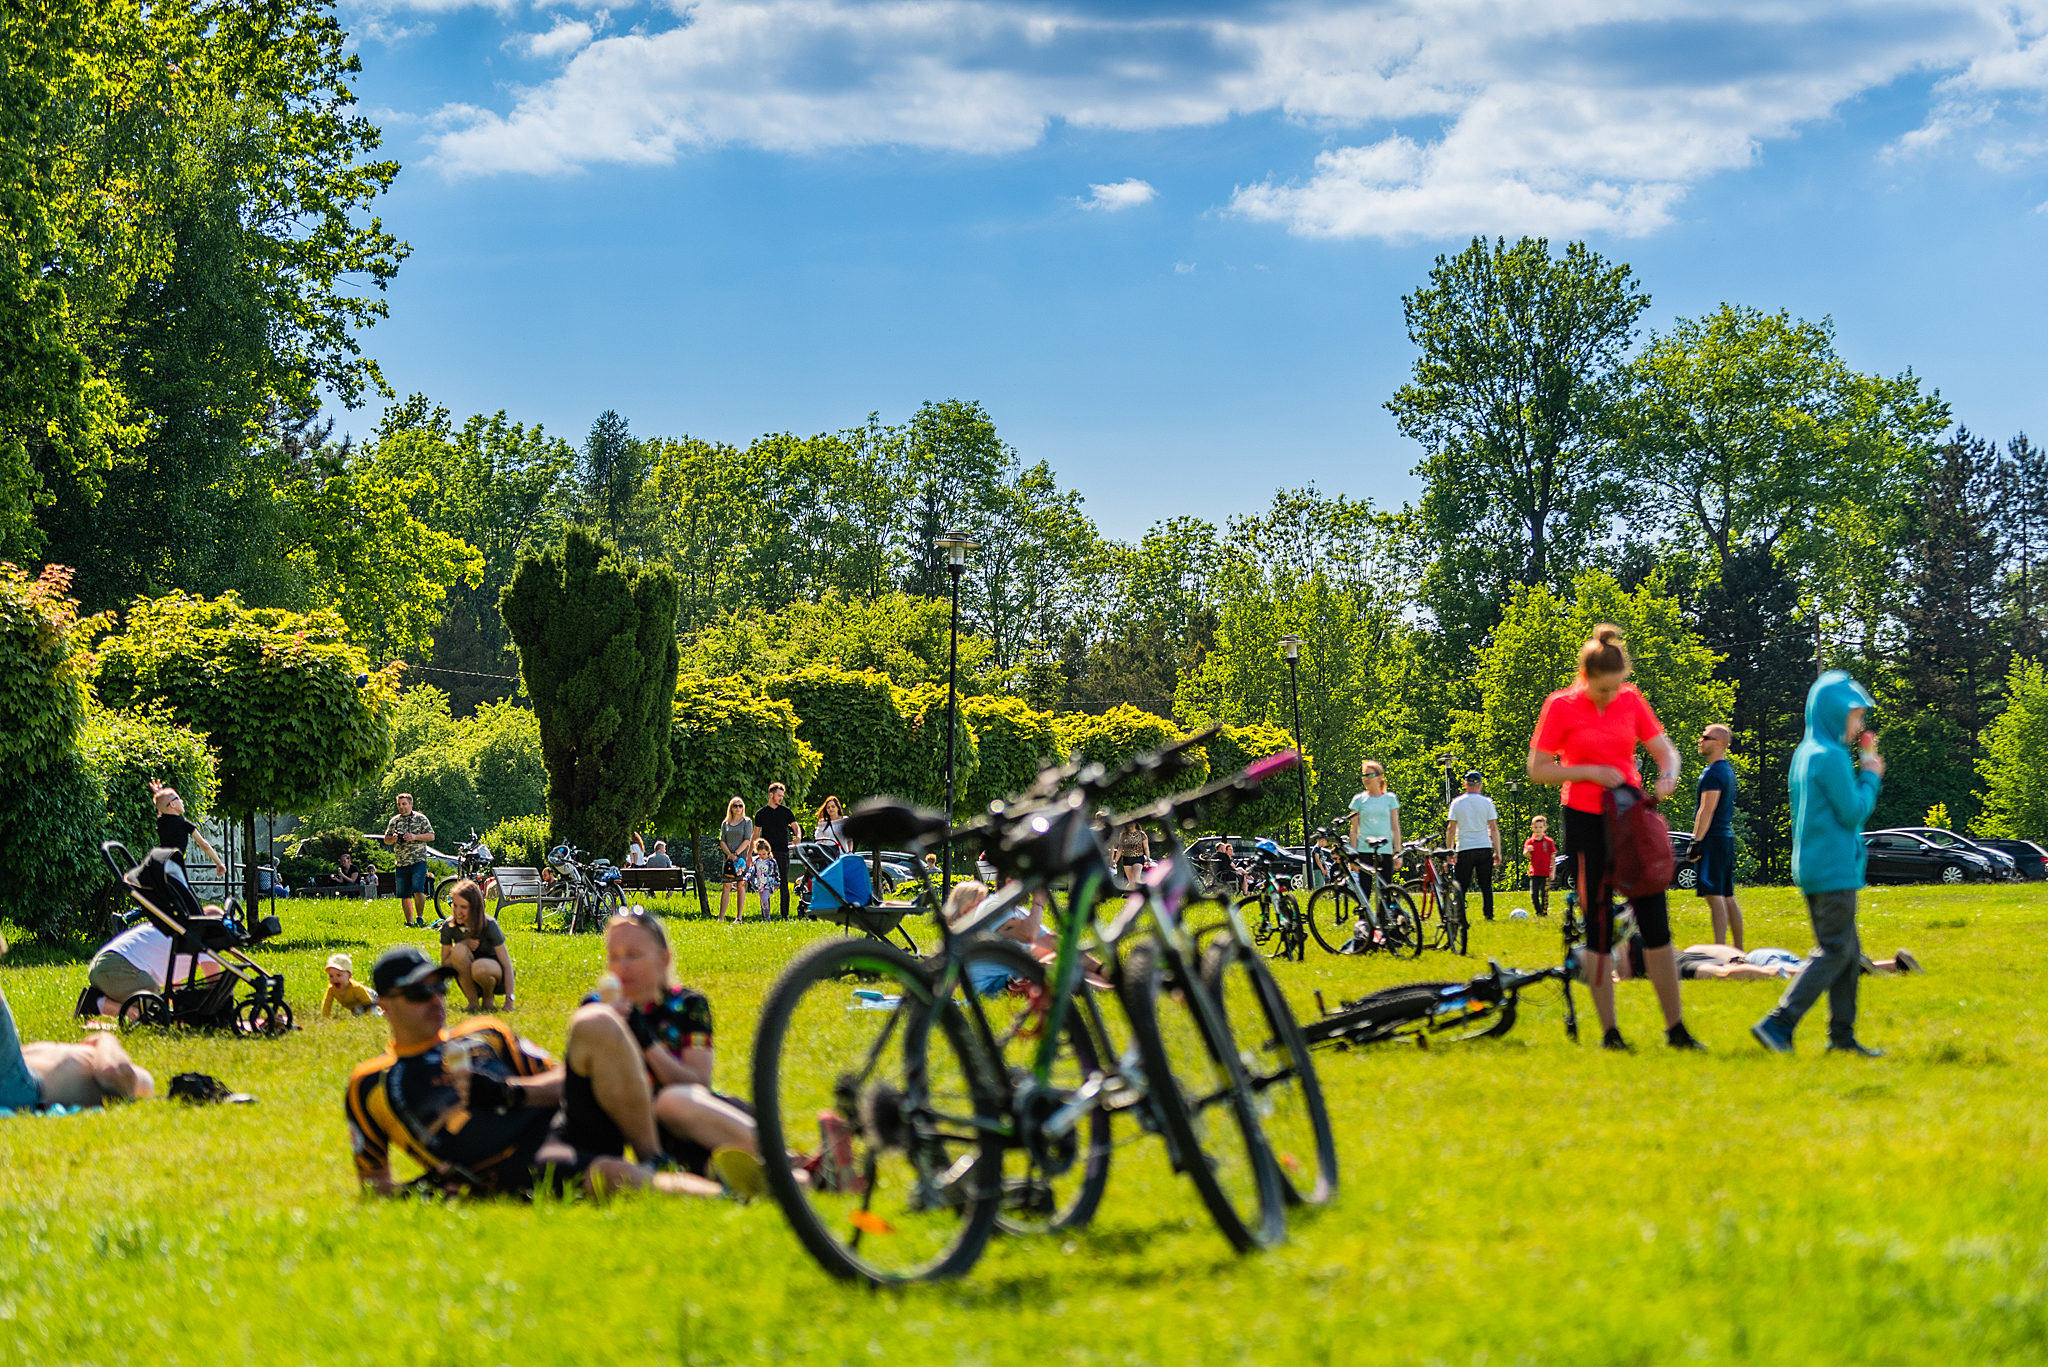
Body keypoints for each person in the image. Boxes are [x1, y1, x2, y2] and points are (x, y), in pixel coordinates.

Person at [344, 945, 720, 1199]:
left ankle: (655, 1155)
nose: (435, 999)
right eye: (418, 993)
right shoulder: (371, 1083)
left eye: (440, 987)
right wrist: (430, 1189)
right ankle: (726, 1197)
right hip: (513, 1162)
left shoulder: (485, 1032)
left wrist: (509, 1090)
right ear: (386, 1006)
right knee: (611, 1173)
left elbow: (566, 1080)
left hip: (567, 1119)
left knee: (596, 1021)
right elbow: (375, 1185)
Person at [1527, 624, 1703, 1051]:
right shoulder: (1561, 706)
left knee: (1656, 921)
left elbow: (1666, 750)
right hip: (1585, 819)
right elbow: (1538, 768)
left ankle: (1676, 1028)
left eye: (1616, 687)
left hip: (1630, 816)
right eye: (1603, 689)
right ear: (1585, 678)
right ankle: (1610, 1032)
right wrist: (1586, 771)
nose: (1610, 696)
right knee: (1600, 928)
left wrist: (1667, 774)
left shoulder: (1630, 698)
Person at [1752, 671, 1888, 1056]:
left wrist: (1860, 765)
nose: (1859, 724)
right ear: (1833, 713)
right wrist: (1871, 776)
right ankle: (1779, 1023)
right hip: (1834, 870)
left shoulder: (1806, 752)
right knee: (1833, 950)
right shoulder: (1830, 758)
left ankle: (1842, 1039)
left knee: (1847, 952)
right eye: (1855, 716)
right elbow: (1853, 813)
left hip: (1813, 867)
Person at [590, 909, 769, 1197]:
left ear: (664, 959)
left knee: (671, 1101)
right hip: (642, 1135)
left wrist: (645, 1039)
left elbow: (697, 1083)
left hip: (693, 1118)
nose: (622, 966)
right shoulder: (597, 1011)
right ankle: (801, 1176)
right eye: (614, 957)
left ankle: (794, 1165)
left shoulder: (687, 1005)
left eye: (634, 955)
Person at [5, 932, 154, 1109]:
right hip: (17, 1078)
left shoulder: (133, 1078)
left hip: (22, 1085)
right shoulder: (106, 1057)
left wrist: (106, 1038)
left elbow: (112, 1071)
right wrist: (105, 1039)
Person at [1609, 936, 1922, 983]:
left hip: (1760, 963)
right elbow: (1724, 951)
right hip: (1758, 953)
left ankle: (1854, 966)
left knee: (1806, 974)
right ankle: (1893, 966)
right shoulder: (1686, 949)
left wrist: (1771, 973)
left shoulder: (1676, 966)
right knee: (1807, 966)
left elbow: (1723, 973)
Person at [78, 918, 224, 1018]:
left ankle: (102, 999)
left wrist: (183, 1010)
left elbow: (173, 986)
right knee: (155, 1014)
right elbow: (215, 984)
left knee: (163, 1009)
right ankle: (97, 1004)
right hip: (117, 968)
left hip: (103, 965)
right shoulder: (201, 941)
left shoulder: (174, 930)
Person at [1692, 724, 1745, 948]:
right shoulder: (1726, 770)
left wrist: (1696, 841)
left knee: (1714, 896)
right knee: (1726, 896)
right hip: (1725, 839)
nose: (1700, 740)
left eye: (1706, 737)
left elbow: (1707, 809)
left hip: (1713, 839)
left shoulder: (1713, 773)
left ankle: (1720, 949)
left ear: (1720, 743)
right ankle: (1738, 948)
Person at [440, 879, 516, 1012]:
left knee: (479, 967)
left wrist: (509, 1000)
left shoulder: (489, 925)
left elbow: (507, 965)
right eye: (455, 905)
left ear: (475, 908)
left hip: (493, 974)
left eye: (463, 907)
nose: (457, 911)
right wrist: (464, 944)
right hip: (467, 976)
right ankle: (473, 1002)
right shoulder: (449, 926)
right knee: (458, 950)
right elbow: (445, 966)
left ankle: (488, 998)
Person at [1445, 771, 1501, 921]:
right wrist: (1498, 851)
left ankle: (1459, 914)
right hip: (1484, 846)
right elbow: (1494, 828)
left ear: (1465, 784)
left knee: (1461, 885)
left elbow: (1451, 828)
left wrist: (1450, 850)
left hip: (1465, 847)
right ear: (1480, 785)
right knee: (1486, 885)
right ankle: (1488, 915)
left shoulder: (1457, 803)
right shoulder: (1487, 802)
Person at [1347, 760, 1404, 905]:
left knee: (1386, 890)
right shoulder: (1358, 800)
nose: (1366, 779)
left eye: (1369, 775)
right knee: (1364, 890)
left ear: (1379, 777)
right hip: (1364, 850)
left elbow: (1395, 827)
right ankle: (1365, 922)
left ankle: (1385, 921)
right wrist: (1353, 856)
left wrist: (1397, 852)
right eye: (1364, 775)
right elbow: (1353, 830)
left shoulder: (1390, 799)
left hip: (1385, 850)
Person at [381, 793, 436, 929]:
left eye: (404, 804)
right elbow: (386, 839)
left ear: (411, 804)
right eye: (399, 804)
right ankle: (409, 922)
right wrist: (393, 839)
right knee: (404, 894)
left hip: (418, 860)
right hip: (401, 862)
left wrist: (414, 836)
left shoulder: (420, 819)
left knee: (418, 889)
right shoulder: (394, 821)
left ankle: (420, 917)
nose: (401, 807)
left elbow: (431, 836)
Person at [752, 782, 801, 920]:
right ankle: (765, 916)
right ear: (771, 795)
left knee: (784, 883)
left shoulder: (786, 812)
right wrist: (751, 853)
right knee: (763, 884)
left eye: (782, 796)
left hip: (783, 852)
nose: (781, 798)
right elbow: (755, 834)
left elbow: (796, 827)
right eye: (779, 796)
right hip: (765, 855)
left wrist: (798, 838)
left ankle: (784, 915)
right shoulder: (761, 813)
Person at [717, 797, 752, 924]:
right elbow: (722, 840)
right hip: (728, 859)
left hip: (741, 859)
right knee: (726, 886)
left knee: (741, 885)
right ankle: (721, 917)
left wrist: (736, 854)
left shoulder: (747, 822)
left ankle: (739, 917)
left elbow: (747, 840)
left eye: (740, 805)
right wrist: (729, 854)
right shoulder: (725, 823)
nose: (738, 808)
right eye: (735, 806)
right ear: (731, 808)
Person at [1523, 815, 1557, 917]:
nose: (1538, 829)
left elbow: (1553, 858)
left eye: (1540, 827)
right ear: (1532, 828)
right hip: (1534, 872)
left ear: (1545, 828)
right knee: (1534, 894)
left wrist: (1553, 872)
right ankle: (1538, 911)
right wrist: (1527, 851)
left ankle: (1544, 912)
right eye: (1536, 827)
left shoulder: (1549, 842)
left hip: (1545, 872)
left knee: (1544, 894)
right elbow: (1525, 853)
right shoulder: (1530, 842)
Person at [743, 839, 780, 921]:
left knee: (765, 899)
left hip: (768, 884)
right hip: (759, 884)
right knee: (762, 901)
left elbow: (776, 873)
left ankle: (767, 918)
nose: (762, 856)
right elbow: (751, 870)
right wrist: (746, 878)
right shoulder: (756, 861)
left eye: (763, 854)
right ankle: (765, 917)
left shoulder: (771, 862)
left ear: (768, 851)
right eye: (760, 854)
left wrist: (777, 883)